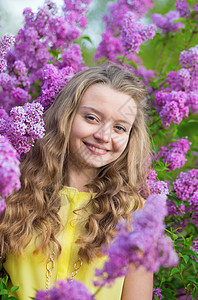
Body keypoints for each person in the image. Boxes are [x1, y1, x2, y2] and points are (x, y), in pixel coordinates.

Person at [0, 64, 153, 299]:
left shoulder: (136, 216)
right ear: (66, 117)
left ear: (130, 138)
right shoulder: (13, 193)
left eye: (119, 127)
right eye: (91, 118)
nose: (103, 135)